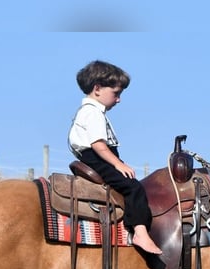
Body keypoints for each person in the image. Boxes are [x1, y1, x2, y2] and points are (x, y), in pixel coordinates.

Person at [68, 60, 162, 255]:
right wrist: (119, 164)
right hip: (95, 157)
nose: (118, 99)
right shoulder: (92, 113)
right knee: (133, 187)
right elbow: (99, 146)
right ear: (97, 89)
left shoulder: (90, 111)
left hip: (95, 156)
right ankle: (140, 231)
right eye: (116, 93)